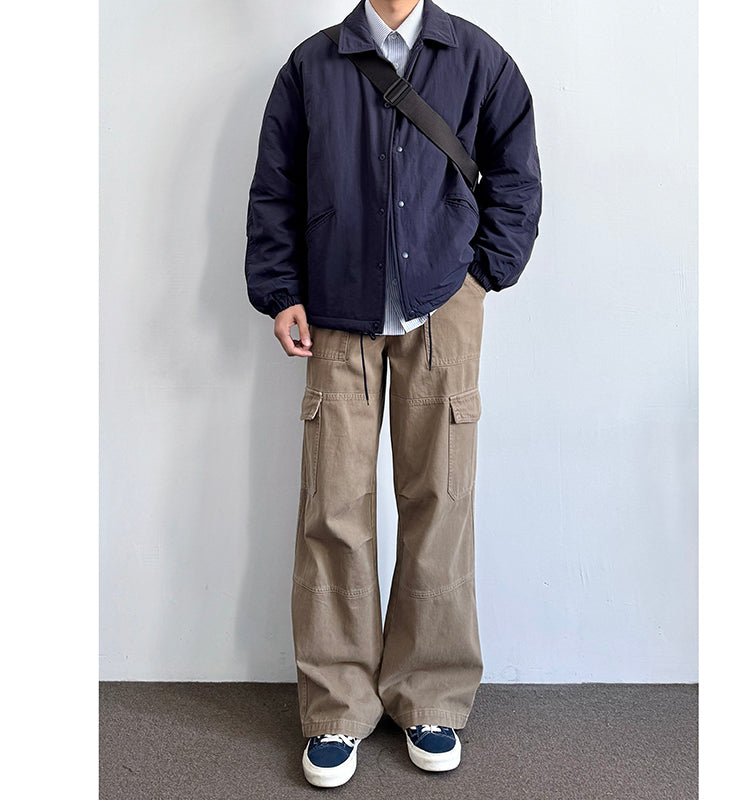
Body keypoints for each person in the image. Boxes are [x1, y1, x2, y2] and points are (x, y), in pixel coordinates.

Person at [244, 0, 541, 788]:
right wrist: (280, 290)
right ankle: (337, 707)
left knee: (440, 499)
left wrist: (482, 276)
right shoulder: (312, 65)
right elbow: (275, 186)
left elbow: (517, 175)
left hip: (444, 304)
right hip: (335, 309)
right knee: (333, 507)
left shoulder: (479, 59)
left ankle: (430, 696)